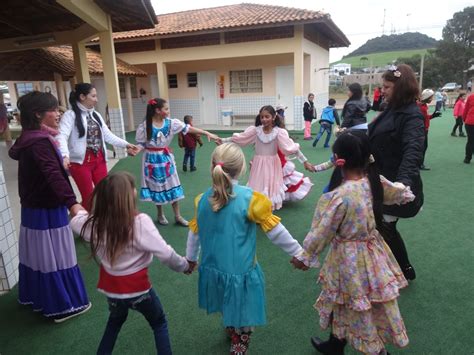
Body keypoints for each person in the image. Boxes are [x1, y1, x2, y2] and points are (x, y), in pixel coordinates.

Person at [291, 130, 413, 355]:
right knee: (351, 300)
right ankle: (336, 344)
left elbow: (322, 230)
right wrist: (405, 191)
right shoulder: (374, 181)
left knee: (358, 304)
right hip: (374, 253)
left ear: (339, 160)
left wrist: (304, 257)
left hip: (349, 260)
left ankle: (376, 351)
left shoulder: (340, 196)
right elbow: (398, 193)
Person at [185, 143, 304, 355]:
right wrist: (298, 252)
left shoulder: (202, 199)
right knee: (244, 310)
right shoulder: (249, 199)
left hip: (213, 266)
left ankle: (231, 327)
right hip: (240, 269)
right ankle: (239, 344)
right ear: (241, 169)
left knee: (225, 299)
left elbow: (194, 234)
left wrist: (190, 259)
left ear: (213, 166)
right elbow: (276, 231)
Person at [71, 172, 194, 355]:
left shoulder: (95, 224)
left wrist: (76, 207)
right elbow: (166, 254)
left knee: (114, 322)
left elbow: (76, 219)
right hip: (138, 290)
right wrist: (184, 265)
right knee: (158, 322)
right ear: (129, 196)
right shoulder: (139, 222)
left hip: (112, 290)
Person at [8, 91, 91, 323]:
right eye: (53, 110)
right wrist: (72, 203)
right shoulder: (41, 142)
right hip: (48, 209)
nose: (58, 113)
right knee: (57, 257)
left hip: (32, 208)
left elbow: (42, 168)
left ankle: (36, 297)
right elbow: (53, 175)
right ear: (38, 114)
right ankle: (64, 305)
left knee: (37, 257)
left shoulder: (29, 138)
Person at [368, 64, 425, 281]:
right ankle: (398, 268)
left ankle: (403, 269)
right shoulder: (390, 109)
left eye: (387, 86)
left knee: (384, 227)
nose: (383, 90)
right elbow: (373, 134)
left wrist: (401, 184)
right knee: (380, 227)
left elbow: (413, 151)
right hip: (380, 179)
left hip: (394, 184)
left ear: (400, 88)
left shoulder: (412, 115)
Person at [136, 98, 219, 226]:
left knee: (173, 184)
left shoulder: (171, 123)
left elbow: (188, 128)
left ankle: (178, 216)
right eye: (166, 109)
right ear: (158, 110)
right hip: (151, 160)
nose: (168, 111)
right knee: (156, 186)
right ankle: (160, 214)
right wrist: (136, 149)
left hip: (166, 158)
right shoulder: (145, 126)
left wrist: (206, 132)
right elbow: (141, 144)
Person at [57, 83, 140, 210]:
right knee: (89, 197)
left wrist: (126, 144)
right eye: (94, 96)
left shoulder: (95, 115)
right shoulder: (70, 115)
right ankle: (89, 225)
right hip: (80, 163)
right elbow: (61, 136)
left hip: (99, 160)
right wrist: (64, 155)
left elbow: (108, 135)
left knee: (105, 194)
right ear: (82, 97)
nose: (97, 99)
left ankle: (106, 222)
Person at [219, 105, 314, 210]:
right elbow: (240, 138)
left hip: (273, 164)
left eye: (267, 116)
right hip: (258, 164)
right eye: (262, 117)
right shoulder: (256, 131)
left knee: (271, 186)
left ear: (273, 117)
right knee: (257, 184)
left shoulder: (279, 132)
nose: (264, 119)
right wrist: (223, 140)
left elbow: (291, 148)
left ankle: (268, 209)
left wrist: (305, 161)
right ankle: (257, 207)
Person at [417, 89, 442, 171]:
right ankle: (420, 164)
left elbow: (426, 118)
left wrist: (433, 116)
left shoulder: (422, 105)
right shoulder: (422, 107)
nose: (432, 99)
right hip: (422, 130)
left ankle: (419, 163)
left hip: (422, 129)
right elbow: (423, 119)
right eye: (431, 97)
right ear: (427, 98)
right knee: (423, 147)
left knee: (421, 146)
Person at [462, 93, 474, 164]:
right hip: (470, 122)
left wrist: (464, 119)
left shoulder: (471, 97)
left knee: (470, 141)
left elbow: (466, 109)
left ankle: (467, 158)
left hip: (469, 122)